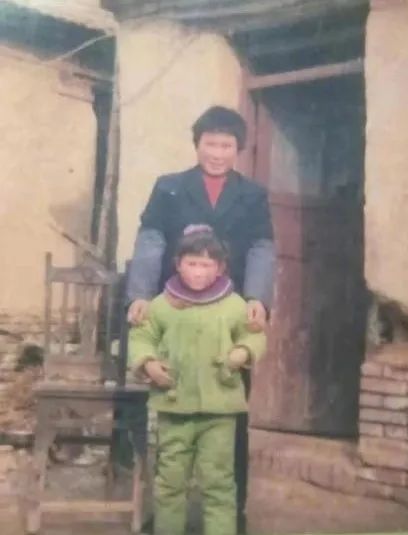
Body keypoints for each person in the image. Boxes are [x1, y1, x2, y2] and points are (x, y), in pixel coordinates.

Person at [126, 105, 275, 532]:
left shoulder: (252, 195)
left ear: (238, 149)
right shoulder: (170, 188)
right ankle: (166, 513)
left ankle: (232, 513)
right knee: (170, 413)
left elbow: (262, 248)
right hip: (177, 311)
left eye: (226, 145)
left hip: (226, 314)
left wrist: (257, 298)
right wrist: (140, 295)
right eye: (210, 143)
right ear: (197, 145)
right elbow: (151, 240)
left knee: (230, 416)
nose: (217, 153)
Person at [129, 226, 266, 535]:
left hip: (220, 409)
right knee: (170, 482)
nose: (198, 272)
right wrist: (148, 363)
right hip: (174, 406)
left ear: (220, 268)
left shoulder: (234, 305)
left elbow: (254, 336)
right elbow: (141, 338)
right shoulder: (162, 305)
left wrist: (242, 352)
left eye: (206, 265)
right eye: (192, 263)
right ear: (178, 264)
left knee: (219, 482)